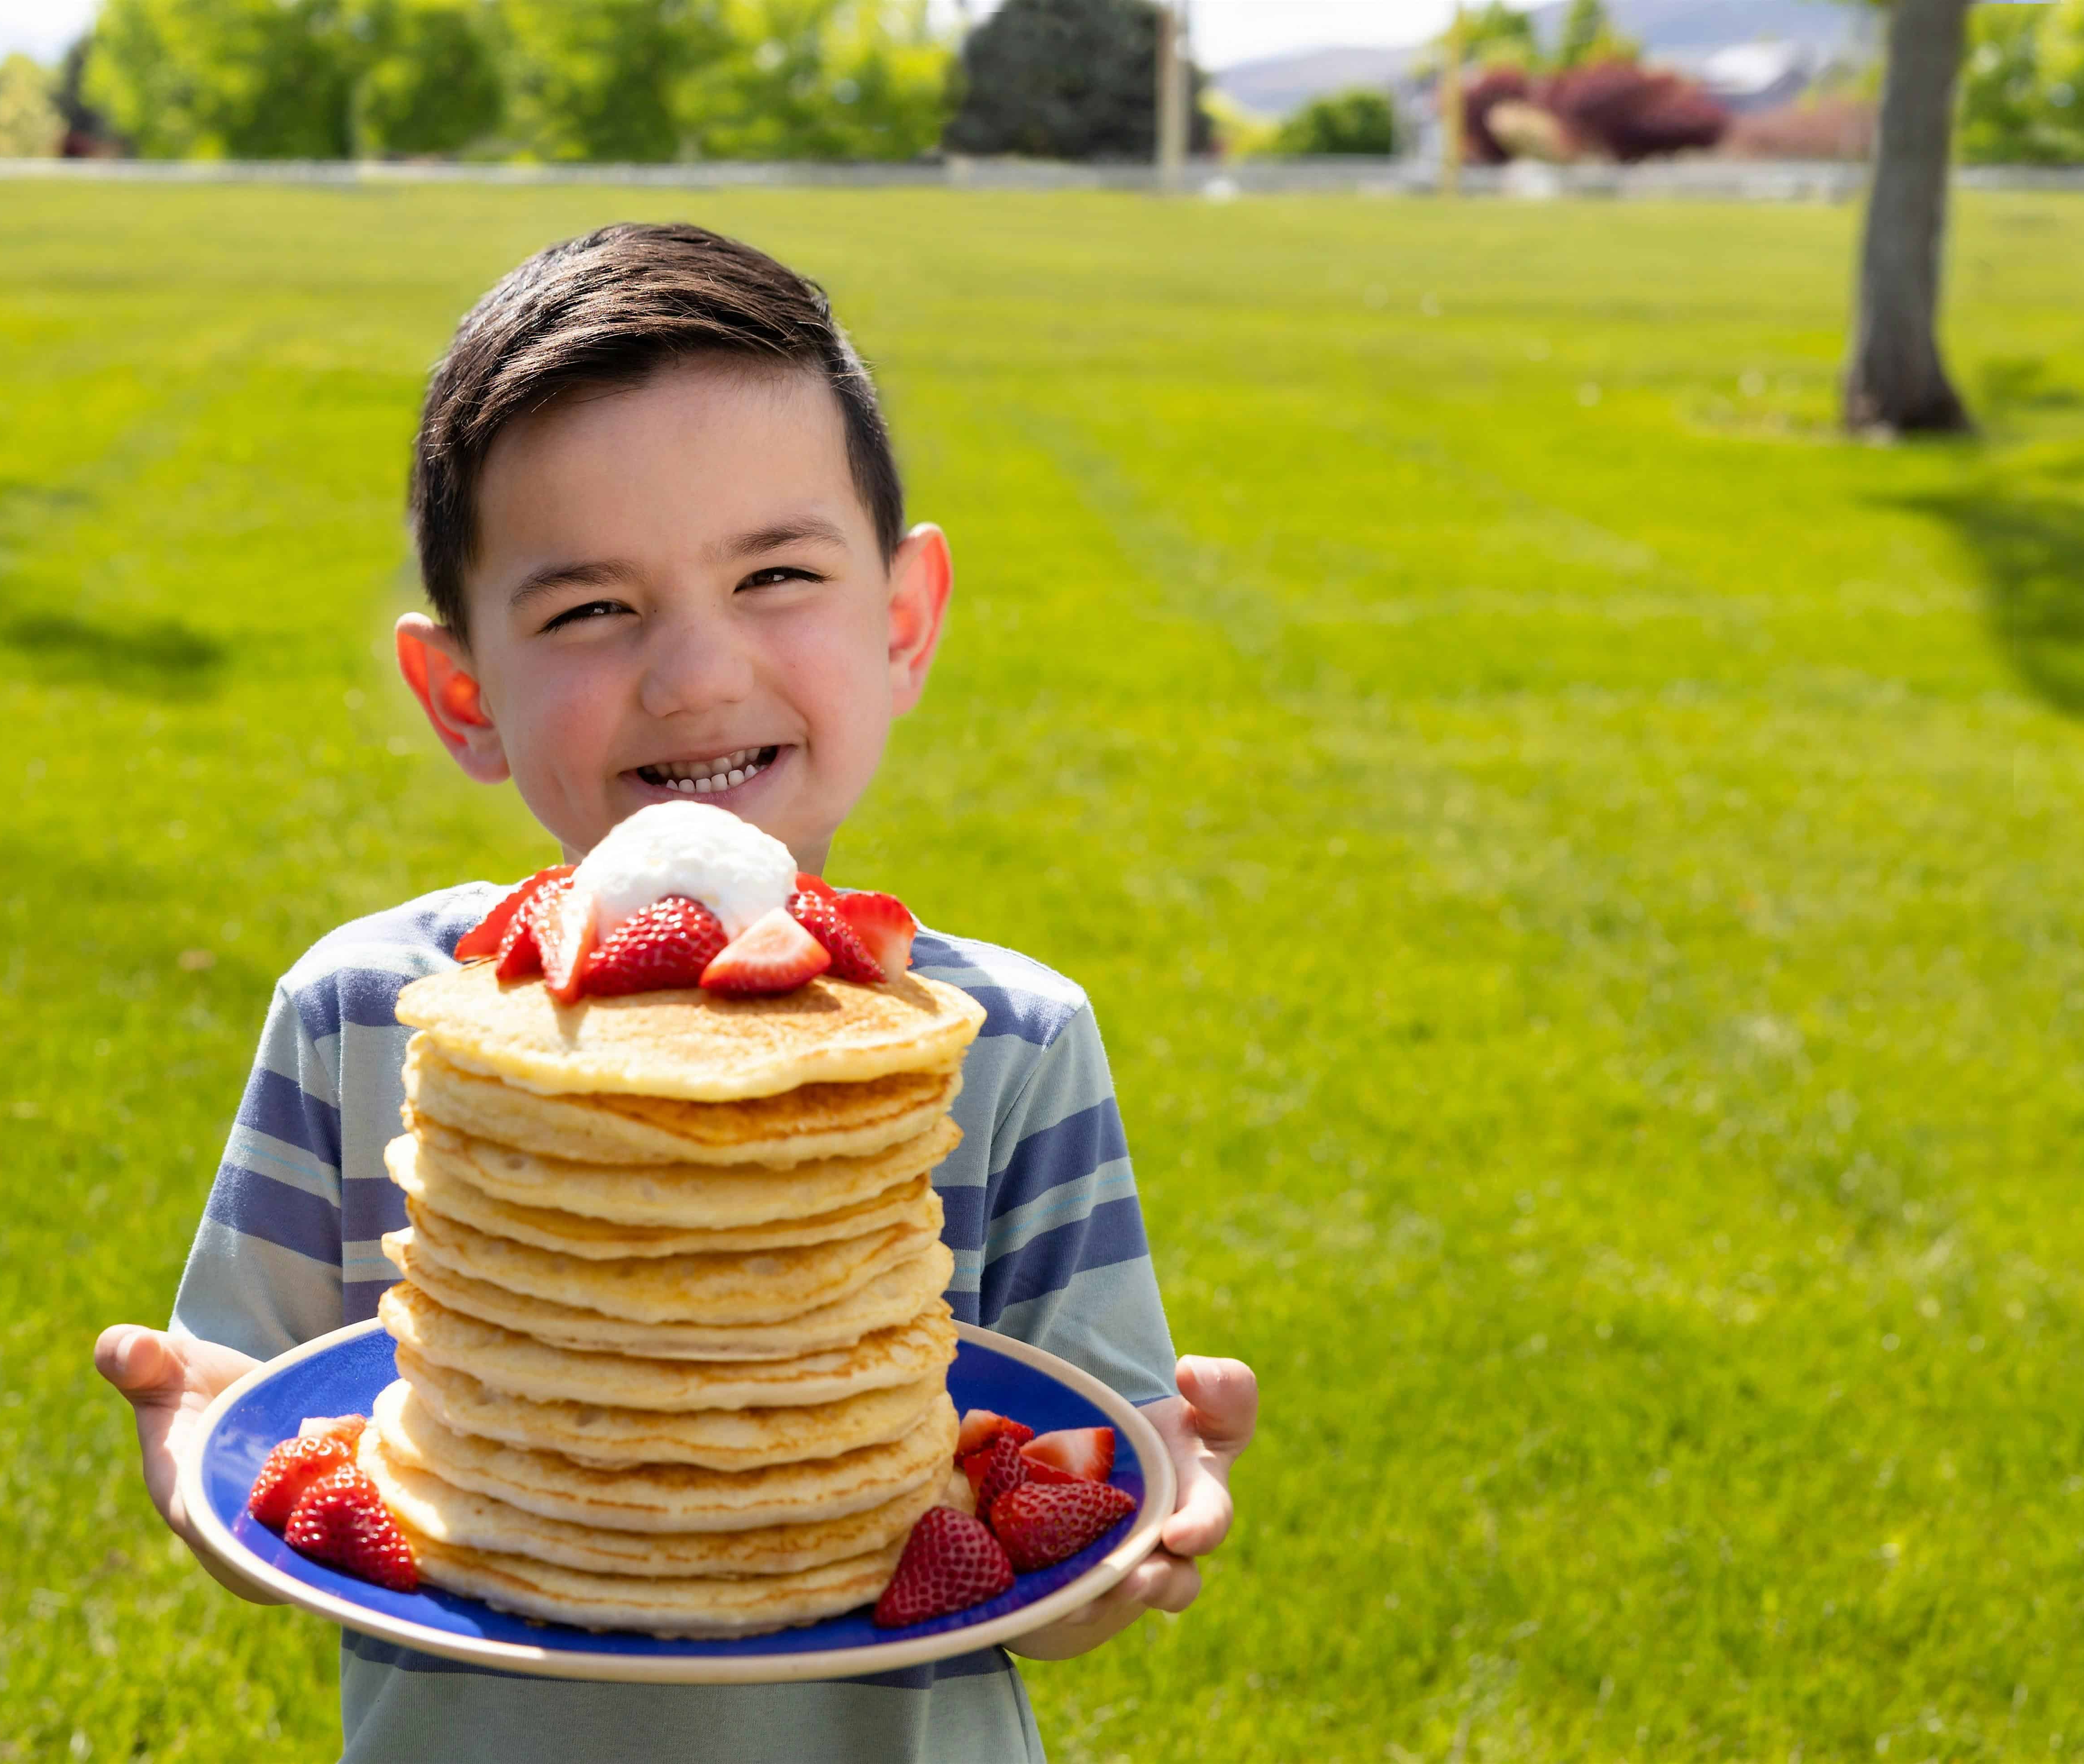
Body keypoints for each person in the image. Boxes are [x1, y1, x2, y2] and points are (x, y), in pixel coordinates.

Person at [92, 221, 1257, 1764]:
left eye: (777, 574)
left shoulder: (1009, 1047)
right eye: (589, 608)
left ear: (902, 619)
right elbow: (266, 1420)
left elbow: (1061, 1509)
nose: (697, 675)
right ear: (461, 691)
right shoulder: (367, 1015)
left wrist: (1133, 1530)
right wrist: (196, 1453)